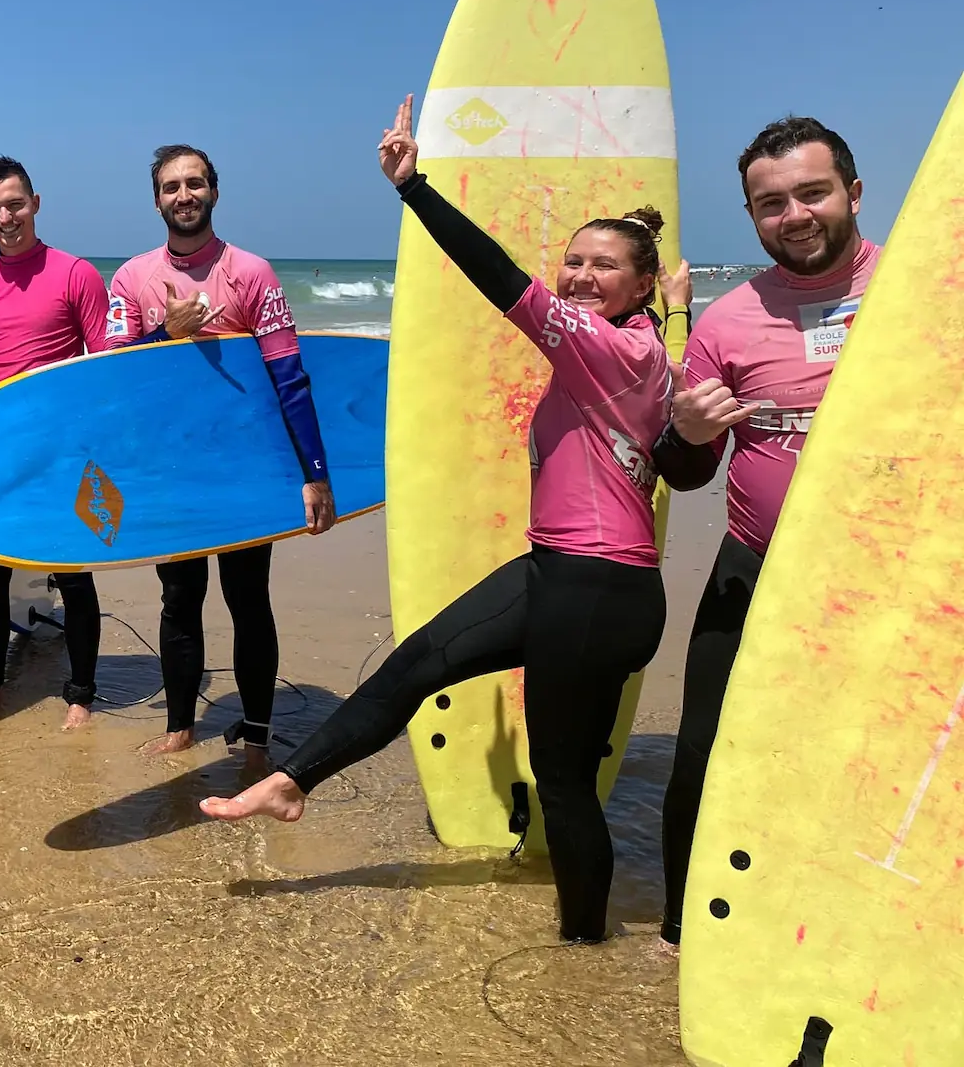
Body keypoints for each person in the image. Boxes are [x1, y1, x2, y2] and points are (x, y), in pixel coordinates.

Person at [202, 97, 679, 945]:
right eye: (571, 261)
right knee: (414, 666)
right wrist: (674, 311)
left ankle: (583, 952)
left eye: (603, 266)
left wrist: (415, 190)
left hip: (594, 588)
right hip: (564, 575)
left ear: (639, 283)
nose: (577, 277)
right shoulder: (647, 344)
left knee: (561, 781)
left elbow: (499, 277)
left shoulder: (611, 346)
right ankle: (292, 782)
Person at [650, 117, 880, 949]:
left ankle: (848, 930)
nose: (795, 215)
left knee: (866, 764)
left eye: (812, 193)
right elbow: (684, 474)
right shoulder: (727, 323)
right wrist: (686, 430)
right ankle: (685, 936)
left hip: (888, 582)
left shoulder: (922, 296)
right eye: (770, 203)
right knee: (705, 757)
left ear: (852, 193)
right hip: (752, 570)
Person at [105, 144, 337, 768]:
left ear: (214, 191)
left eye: (195, 184)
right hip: (172, 469)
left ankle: (257, 734)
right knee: (178, 598)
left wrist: (315, 474)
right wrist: (165, 334)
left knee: (247, 598)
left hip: (243, 468)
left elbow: (289, 377)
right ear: (156, 199)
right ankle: (182, 725)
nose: (184, 196)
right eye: (171, 187)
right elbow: (110, 377)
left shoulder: (252, 273)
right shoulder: (131, 279)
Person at [0, 156, 110, 729]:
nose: (6, 217)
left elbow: (103, 371)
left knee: (73, 573)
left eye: (15, 204)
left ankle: (81, 694)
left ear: (36, 203)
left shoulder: (76, 274)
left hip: (62, 457)